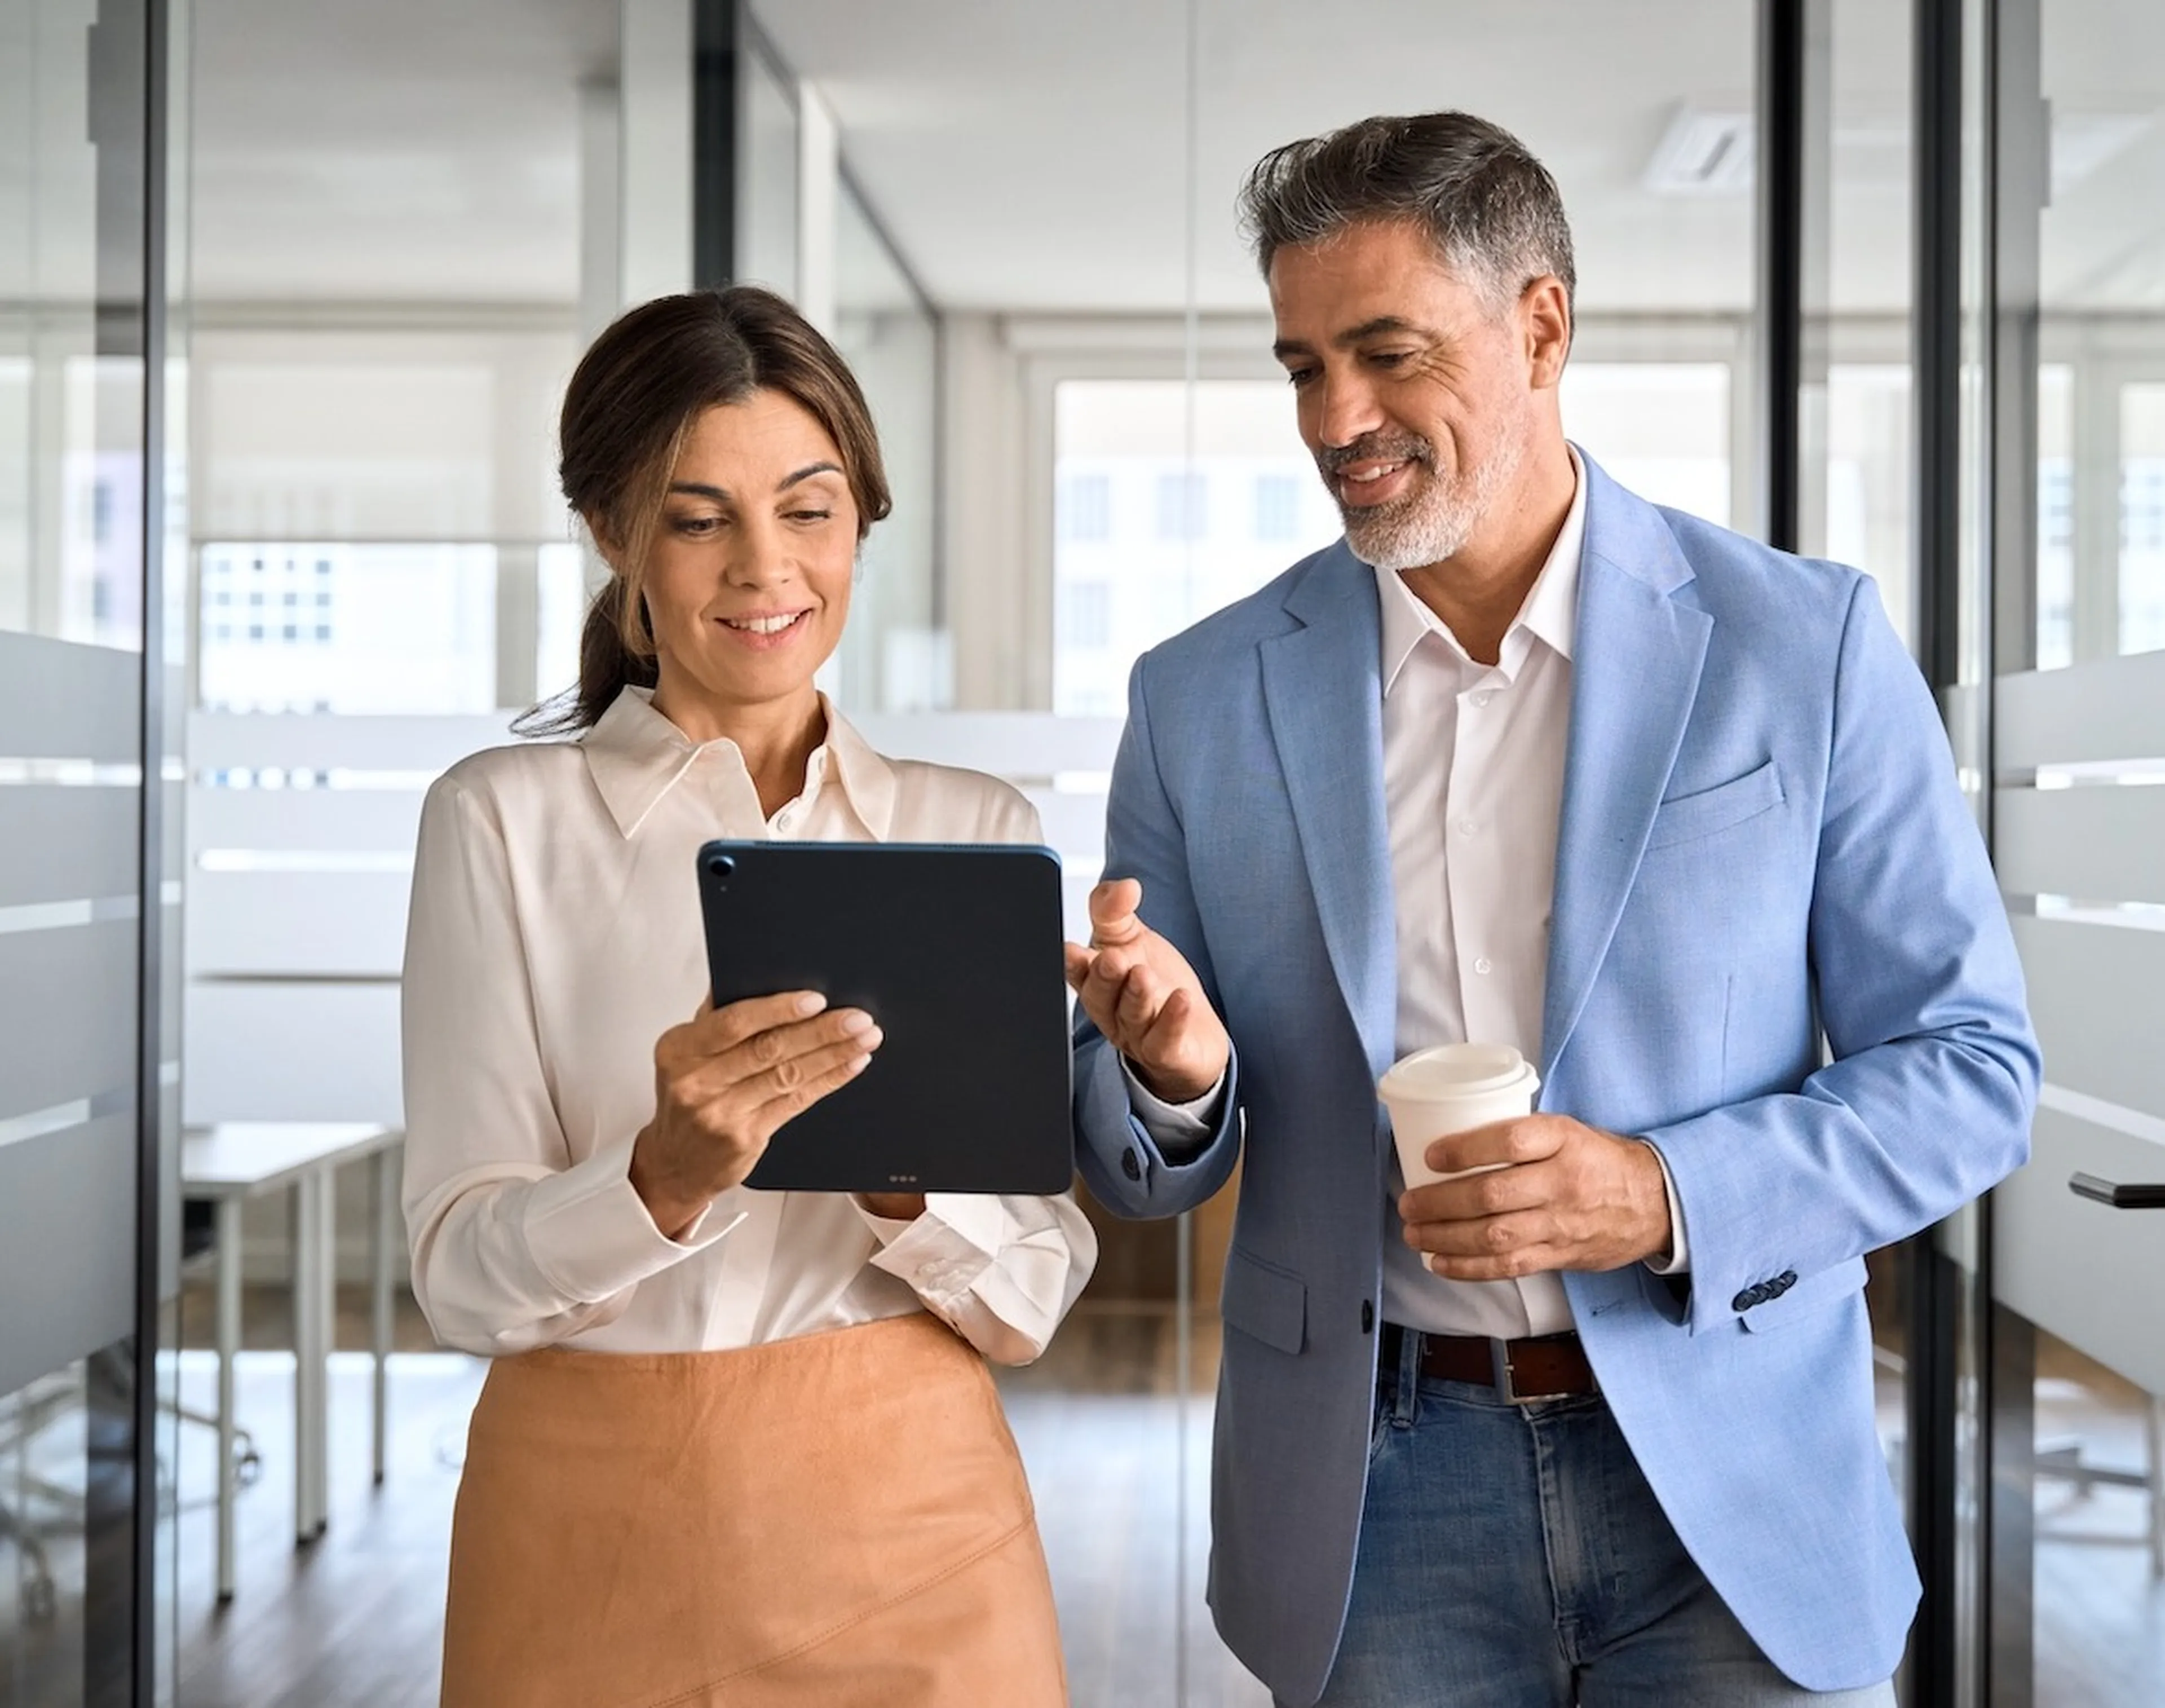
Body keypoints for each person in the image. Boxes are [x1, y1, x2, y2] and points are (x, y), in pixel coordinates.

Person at [1066, 112, 2038, 1708]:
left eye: (1386, 352)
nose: (1337, 418)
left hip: (1733, 1483)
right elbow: (1138, 1152)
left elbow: (1972, 1068)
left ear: (1542, 326)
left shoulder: (1805, 645)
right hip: (1373, 1501)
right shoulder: (1197, 700)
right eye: (1303, 365)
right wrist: (1171, 1072)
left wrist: (1663, 1192)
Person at [401, 285, 1095, 1708]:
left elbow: (1032, 1294)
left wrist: (903, 1185)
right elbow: (459, 1275)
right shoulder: (497, 821)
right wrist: (656, 1177)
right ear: (613, 534)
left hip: (916, 1520)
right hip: (581, 1529)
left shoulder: (969, 830)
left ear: (860, 521)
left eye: (810, 508)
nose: (764, 567)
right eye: (696, 514)